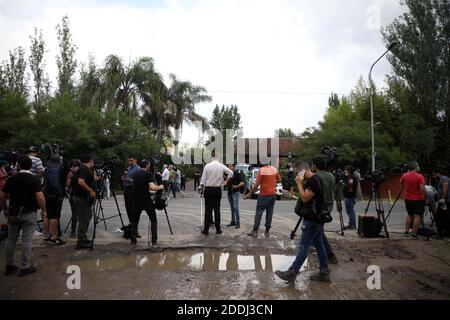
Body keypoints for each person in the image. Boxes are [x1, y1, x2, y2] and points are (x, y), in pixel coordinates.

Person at [275, 161, 330, 283]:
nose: (297, 175)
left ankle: (292, 272)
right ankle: (324, 272)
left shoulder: (313, 181)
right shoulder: (316, 179)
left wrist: (299, 183)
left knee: (303, 246)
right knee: (319, 244)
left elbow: (305, 198)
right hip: (317, 219)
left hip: (312, 219)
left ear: (303, 170)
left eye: (298, 172)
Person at [0, 155, 47, 276]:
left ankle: (9, 265)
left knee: (11, 239)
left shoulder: (12, 179)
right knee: (27, 240)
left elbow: (1, 195)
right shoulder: (34, 180)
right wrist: (43, 211)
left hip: (14, 212)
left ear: (18, 166)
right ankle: (24, 267)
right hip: (29, 212)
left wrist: (5, 209)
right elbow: (40, 197)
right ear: (31, 166)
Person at [129, 159, 164, 249]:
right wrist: (161, 186)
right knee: (153, 219)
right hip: (146, 201)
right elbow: (153, 188)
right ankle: (154, 242)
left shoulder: (135, 174)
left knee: (135, 221)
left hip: (136, 201)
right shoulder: (149, 174)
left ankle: (133, 241)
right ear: (147, 166)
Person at [199, 153, 233, 236]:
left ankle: (206, 230)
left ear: (212, 157)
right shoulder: (221, 166)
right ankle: (218, 229)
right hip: (217, 189)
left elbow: (203, 179)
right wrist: (225, 181)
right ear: (218, 157)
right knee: (217, 210)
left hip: (208, 189)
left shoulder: (207, 166)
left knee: (208, 210)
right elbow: (231, 173)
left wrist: (201, 188)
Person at [313, 156, 338, 264]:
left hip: (320, 206)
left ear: (315, 165)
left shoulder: (317, 177)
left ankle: (330, 255)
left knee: (318, 230)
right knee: (318, 229)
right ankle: (315, 247)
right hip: (329, 205)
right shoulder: (331, 175)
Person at [245, 164, 281, 237]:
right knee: (270, 212)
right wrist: (271, 184)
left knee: (259, 212)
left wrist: (249, 193)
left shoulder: (261, 170)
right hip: (273, 194)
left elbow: (256, 185)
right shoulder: (274, 169)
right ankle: (267, 231)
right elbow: (279, 180)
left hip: (264, 194)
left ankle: (255, 231)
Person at [71, 154, 97, 249]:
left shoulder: (83, 169)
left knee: (87, 216)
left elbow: (89, 180)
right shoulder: (84, 169)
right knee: (83, 218)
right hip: (82, 197)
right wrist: (91, 191)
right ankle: (80, 241)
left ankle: (83, 237)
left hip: (81, 197)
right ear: (91, 161)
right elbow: (81, 182)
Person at [42, 155, 65, 245]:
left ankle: (47, 236)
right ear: (57, 161)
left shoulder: (48, 168)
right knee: (54, 216)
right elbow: (54, 184)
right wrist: (59, 194)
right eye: (61, 160)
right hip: (52, 196)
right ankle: (54, 237)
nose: (62, 162)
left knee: (47, 215)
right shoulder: (54, 170)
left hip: (47, 195)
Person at [401, 162, 426, 237]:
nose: (419, 167)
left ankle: (406, 231)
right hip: (418, 199)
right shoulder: (420, 176)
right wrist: (426, 196)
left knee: (409, 214)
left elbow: (401, 183)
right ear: (415, 167)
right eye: (418, 166)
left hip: (408, 198)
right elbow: (422, 189)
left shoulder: (405, 175)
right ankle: (414, 233)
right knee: (417, 216)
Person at [122, 156, 141, 224]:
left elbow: (140, 181)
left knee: (132, 209)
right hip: (126, 190)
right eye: (129, 161)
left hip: (132, 190)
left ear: (135, 160)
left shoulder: (138, 169)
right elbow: (125, 176)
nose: (129, 162)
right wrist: (123, 178)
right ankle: (131, 224)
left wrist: (131, 180)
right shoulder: (128, 168)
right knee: (128, 208)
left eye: (131, 161)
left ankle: (134, 226)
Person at [66, 159, 81, 238]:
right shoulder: (81, 173)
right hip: (77, 195)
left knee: (74, 214)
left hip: (71, 194)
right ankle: (78, 232)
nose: (73, 168)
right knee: (78, 214)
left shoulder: (70, 173)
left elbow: (68, 184)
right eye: (72, 166)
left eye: (75, 166)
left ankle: (73, 232)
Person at [226, 164, 245, 229]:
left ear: (234, 167)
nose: (229, 167)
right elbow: (226, 182)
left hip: (235, 192)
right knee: (232, 208)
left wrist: (236, 186)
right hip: (229, 193)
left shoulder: (237, 173)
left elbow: (242, 182)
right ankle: (233, 221)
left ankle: (238, 222)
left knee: (235, 207)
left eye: (231, 166)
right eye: (228, 166)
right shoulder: (228, 174)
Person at [433, 166, 450, 237]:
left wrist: (443, 198)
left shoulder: (444, 178)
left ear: (437, 173)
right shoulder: (442, 178)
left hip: (445, 201)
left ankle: (444, 232)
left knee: (442, 216)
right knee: (441, 216)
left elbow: (445, 187)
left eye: (434, 173)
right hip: (443, 201)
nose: (433, 175)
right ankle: (443, 231)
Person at [343, 165, 358, 230]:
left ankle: (352, 225)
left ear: (348, 170)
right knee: (350, 211)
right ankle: (352, 224)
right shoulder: (350, 177)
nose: (344, 171)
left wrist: (343, 184)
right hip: (350, 196)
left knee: (350, 211)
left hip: (349, 197)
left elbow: (350, 188)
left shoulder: (351, 177)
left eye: (345, 170)